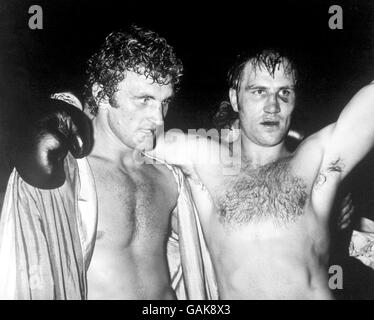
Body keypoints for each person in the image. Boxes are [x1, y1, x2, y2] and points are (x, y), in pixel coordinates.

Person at [0, 26, 217, 300]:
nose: (159, 119)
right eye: (145, 100)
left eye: (164, 102)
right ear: (102, 95)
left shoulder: (171, 176)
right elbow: (27, 256)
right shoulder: (68, 177)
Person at [150, 49, 374, 299]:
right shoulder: (206, 159)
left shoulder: (315, 160)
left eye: (284, 93)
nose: (273, 107)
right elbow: (132, 135)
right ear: (235, 99)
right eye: (259, 92)